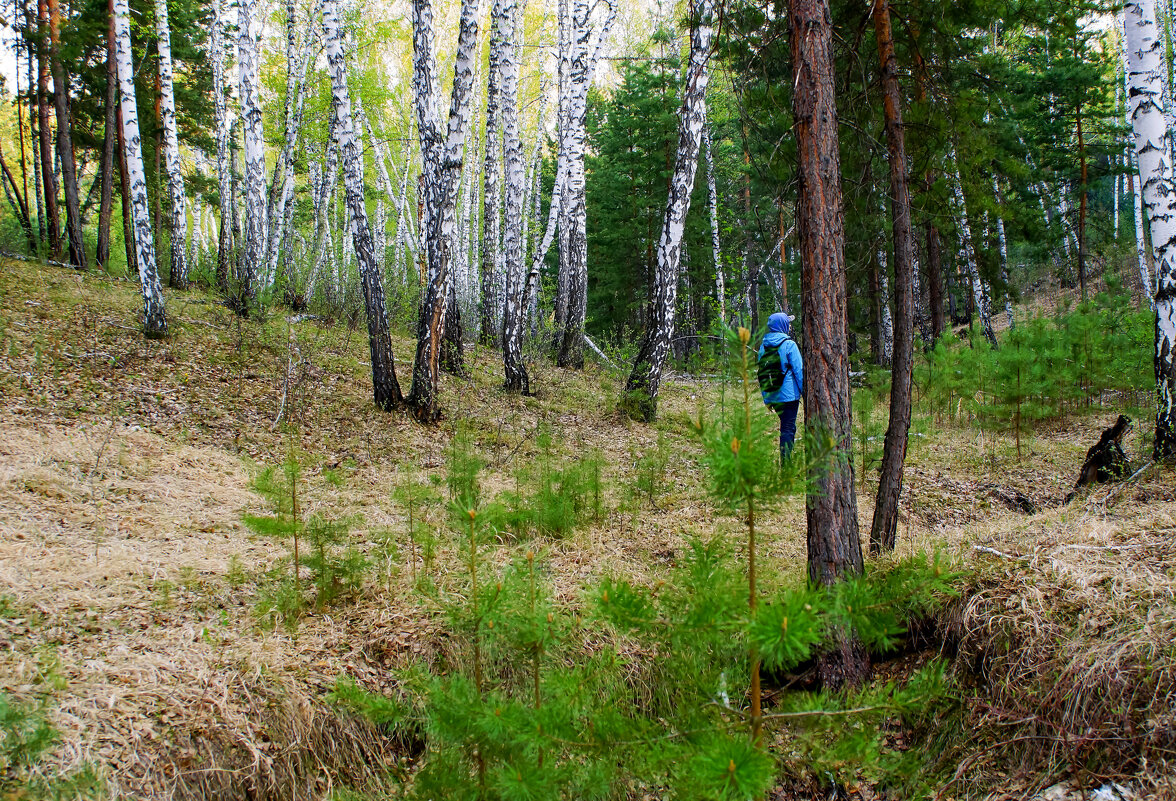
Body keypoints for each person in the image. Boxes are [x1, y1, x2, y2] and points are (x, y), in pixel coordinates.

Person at [758, 312, 803, 460]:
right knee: (788, 428)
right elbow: (799, 371)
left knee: (787, 426)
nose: (790, 326)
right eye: (788, 323)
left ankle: (786, 461)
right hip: (789, 397)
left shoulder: (763, 346)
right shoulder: (789, 345)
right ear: (782, 325)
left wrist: (767, 399)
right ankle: (786, 465)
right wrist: (807, 395)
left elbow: (762, 374)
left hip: (773, 395)